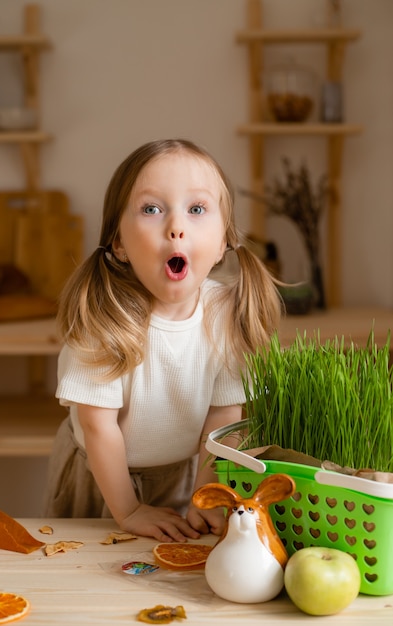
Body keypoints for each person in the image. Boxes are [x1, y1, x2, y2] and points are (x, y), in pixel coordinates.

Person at [43, 138, 281, 543]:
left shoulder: (225, 315)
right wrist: (130, 510)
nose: (176, 226)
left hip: (181, 469)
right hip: (98, 474)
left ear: (223, 240)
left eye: (197, 209)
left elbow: (224, 419)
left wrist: (203, 497)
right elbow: (98, 426)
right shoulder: (104, 315)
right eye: (152, 209)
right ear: (118, 241)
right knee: (84, 563)